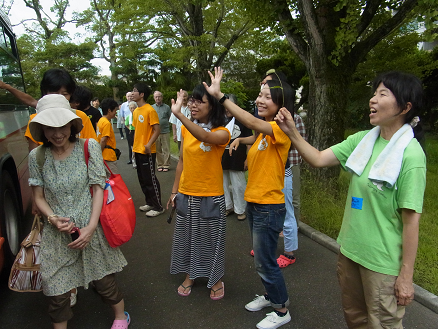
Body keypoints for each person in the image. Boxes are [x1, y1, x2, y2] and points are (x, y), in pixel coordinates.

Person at [274, 71, 426, 328]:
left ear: (405, 107)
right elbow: (319, 159)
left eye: (382, 94)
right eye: (374, 93)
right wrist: (292, 133)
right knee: (355, 319)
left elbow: (411, 222)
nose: (373, 100)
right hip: (350, 252)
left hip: (382, 263)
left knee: (383, 324)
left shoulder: (411, 155)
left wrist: (406, 276)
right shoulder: (363, 140)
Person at [28, 95, 129, 329]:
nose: (57, 133)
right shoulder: (37, 156)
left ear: (71, 125)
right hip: (57, 236)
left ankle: (121, 317)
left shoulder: (88, 146)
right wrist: (52, 218)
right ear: (42, 129)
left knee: (104, 282)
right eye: (49, 128)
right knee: (57, 292)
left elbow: (98, 188)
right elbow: (38, 196)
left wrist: (91, 227)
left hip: (89, 228)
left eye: (62, 125)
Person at [205, 67, 293, 329]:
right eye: (259, 95)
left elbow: (255, 124)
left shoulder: (280, 128)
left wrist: (221, 97)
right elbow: (255, 134)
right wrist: (240, 141)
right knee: (262, 259)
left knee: (265, 260)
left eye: (267, 96)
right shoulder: (265, 132)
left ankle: (281, 309)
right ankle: (270, 295)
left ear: (281, 105)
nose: (259, 100)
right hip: (256, 202)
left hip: (269, 205)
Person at [167, 84, 230, 300]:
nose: (193, 105)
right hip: (186, 193)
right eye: (191, 100)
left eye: (199, 101)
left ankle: (216, 279)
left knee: (212, 240)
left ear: (212, 106)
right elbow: (182, 161)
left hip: (211, 195)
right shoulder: (186, 128)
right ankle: (190, 275)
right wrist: (174, 191)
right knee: (187, 238)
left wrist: (179, 115)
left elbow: (204, 136)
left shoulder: (222, 132)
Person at [260, 69, 304, 267]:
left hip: (286, 168)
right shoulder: (266, 120)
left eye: (268, 92)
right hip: (270, 173)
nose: (261, 96)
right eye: (262, 92)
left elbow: (298, 144)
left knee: (288, 211)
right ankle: (267, 247)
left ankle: (289, 252)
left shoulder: (287, 120)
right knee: (270, 211)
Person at [20, 69, 97, 152]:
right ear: (44, 93)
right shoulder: (35, 120)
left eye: (64, 94)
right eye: (54, 93)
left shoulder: (81, 117)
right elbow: (34, 158)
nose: (59, 98)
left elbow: (92, 150)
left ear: (71, 94)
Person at [131, 83, 164, 217]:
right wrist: (134, 148)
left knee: (150, 179)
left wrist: (149, 145)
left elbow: (157, 130)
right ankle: (149, 202)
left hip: (147, 151)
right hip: (138, 150)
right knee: (142, 179)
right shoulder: (136, 111)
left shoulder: (150, 110)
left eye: (135, 91)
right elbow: (136, 131)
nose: (132, 93)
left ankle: (158, 206)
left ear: (142, 94)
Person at [221, 94, 252, 221]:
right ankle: (227, 206)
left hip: (238, 158)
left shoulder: (243, 119)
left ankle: (240, 209)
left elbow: (250, 140)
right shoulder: (220, 119)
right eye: (225, 107)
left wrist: (248, 158)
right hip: (222, 157)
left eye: (229, 106)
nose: (227, 110)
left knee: (238, 184)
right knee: (222, 184)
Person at [97, 98, 119, 174]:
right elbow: (103, 140)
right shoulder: (106, 123)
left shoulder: (100, 121)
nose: (115, 112)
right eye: (115, 110)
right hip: (108, 156)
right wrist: (98, 153)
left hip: (103, 156)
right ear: (109, 110)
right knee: (114, 179)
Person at [152, 91, 172, 172]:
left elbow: (169, 117)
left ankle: (166, 165)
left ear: (162, 97)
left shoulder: (167, 107)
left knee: (166, 149)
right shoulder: (151, 107)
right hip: (155, 132)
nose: (158, 98)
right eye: (156, 97)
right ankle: (160, 164)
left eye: (159, 96)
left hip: (165, 131)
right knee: (158, 149)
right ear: (154, 98)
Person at [125, 101, 138, 168]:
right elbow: (126, 124)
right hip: (132, 132)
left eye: (134, 108)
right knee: (133, 148)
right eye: (131, 108)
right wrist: (130, 128)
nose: (132, 109)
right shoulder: (128, 117)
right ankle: (134, 162)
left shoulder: (139, 115)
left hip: (138, 132)